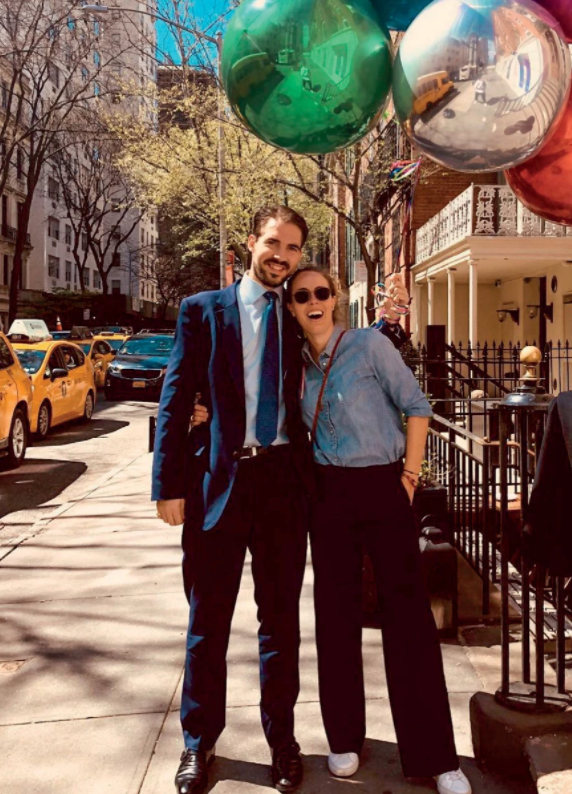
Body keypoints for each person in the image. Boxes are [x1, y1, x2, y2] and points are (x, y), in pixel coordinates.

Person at [152, 206, 409, 794]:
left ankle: (282, 742)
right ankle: (198, 742)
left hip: (283, 487)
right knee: (207, 621)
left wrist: (392, 320)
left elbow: (343, 357)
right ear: (251, 243)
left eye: (292, 248)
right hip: (218, 483)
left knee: (280, 625)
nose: (282, 256)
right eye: (273, 243)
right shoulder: (202, 310)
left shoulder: (298, 312)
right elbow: (176, 396)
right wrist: (168, 484)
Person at [284, 266, 472, 794]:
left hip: (384, 486)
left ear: (335, 298)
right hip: (329, 496)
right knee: (335, 619)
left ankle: (436, 756)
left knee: (409, 620)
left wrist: (409, 476)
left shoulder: (368, 346)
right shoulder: (295, 365)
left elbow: (417, 408)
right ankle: (344, 737)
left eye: (322, 292)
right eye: (302, 296)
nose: (314, 301)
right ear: (292, 308)